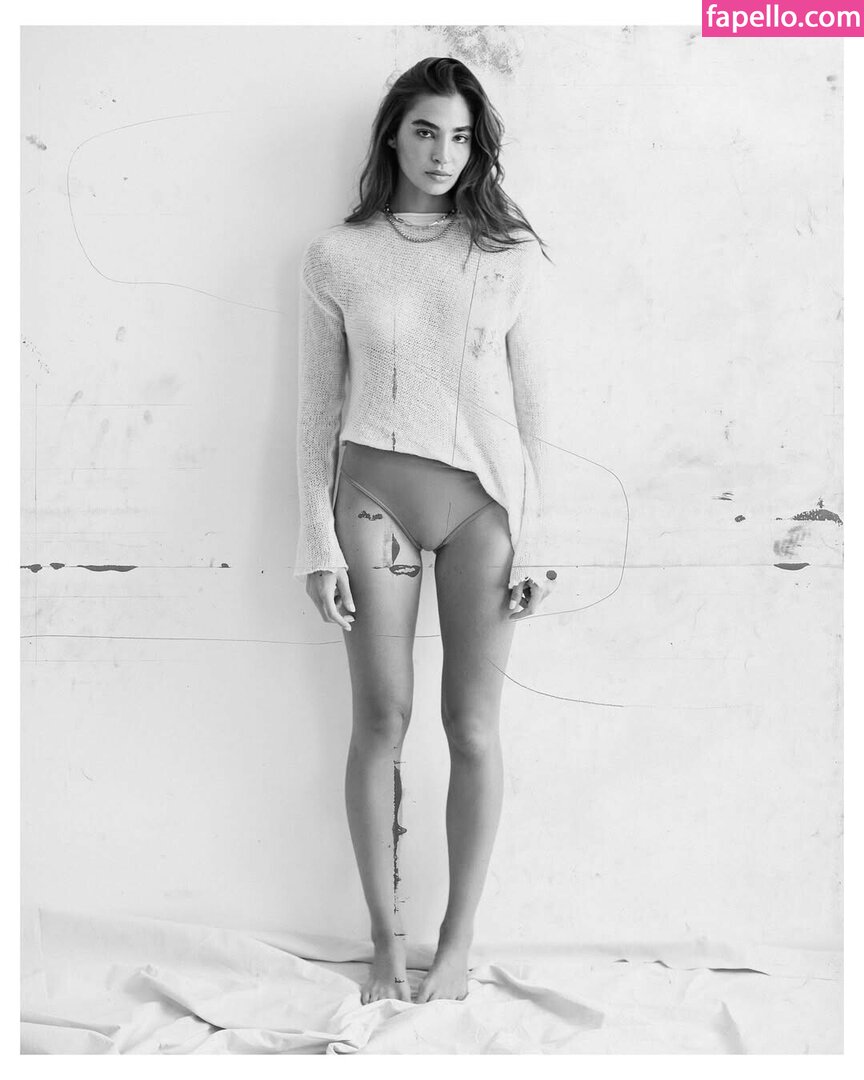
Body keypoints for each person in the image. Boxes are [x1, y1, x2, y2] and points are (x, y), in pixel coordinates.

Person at [293, 57, 557, 1005]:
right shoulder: (337, 256)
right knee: (382, 720)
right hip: (373, 500)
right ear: (393, 136)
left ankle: (457, 943)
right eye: (424, 132)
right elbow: (316, 413)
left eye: (460, 136)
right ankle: (383, 940)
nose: (443, 153)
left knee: (473, 728)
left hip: (486, 508)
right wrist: (314, 541)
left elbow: (534, 409)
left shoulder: (507, 256)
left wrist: (541, 538)